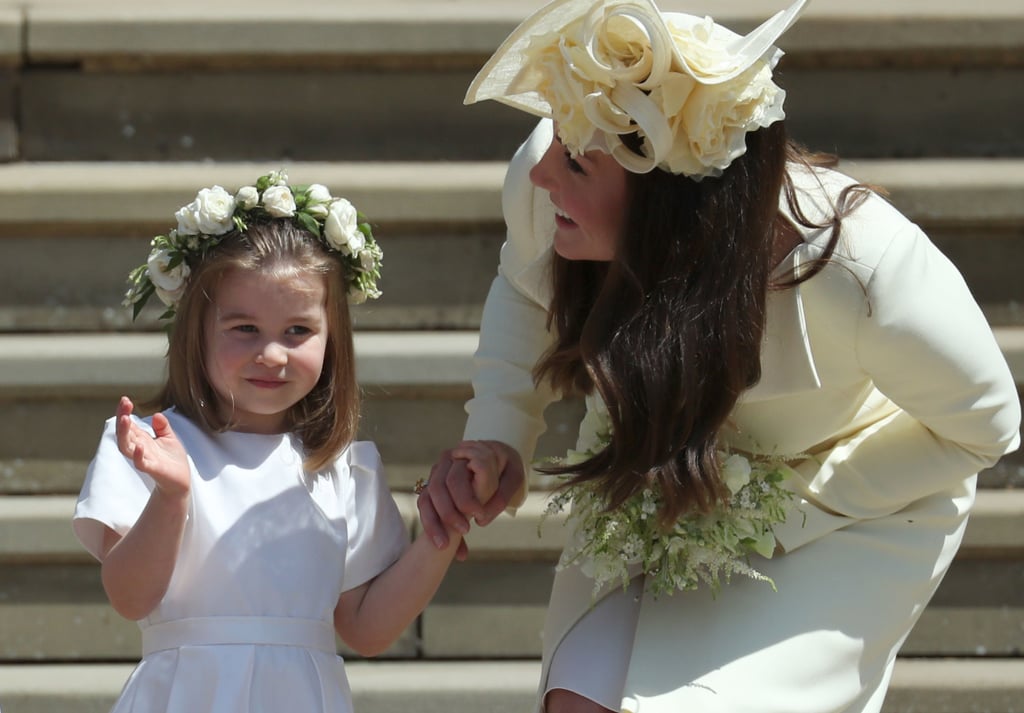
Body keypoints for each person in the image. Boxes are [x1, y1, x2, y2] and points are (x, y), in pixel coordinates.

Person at [417, 0, 1023, 712]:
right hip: (655, 459)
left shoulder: (862, 270)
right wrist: (498, 429)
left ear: (669, 201)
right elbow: (525, 288)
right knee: (579, 699)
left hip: (850, 507)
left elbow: (986, 428)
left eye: (576, 162)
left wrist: (777, 509)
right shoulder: (546, 184)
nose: (544, 173)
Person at [72, 171, 494, 713]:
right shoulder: (150, 447)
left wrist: (444, 525)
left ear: (332, 336)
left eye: (297, 331)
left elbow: (366, 627)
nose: (272, 354)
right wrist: (171, 497)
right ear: (195, 330)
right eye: (244, 328)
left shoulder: (344, 467)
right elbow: (130, 597)